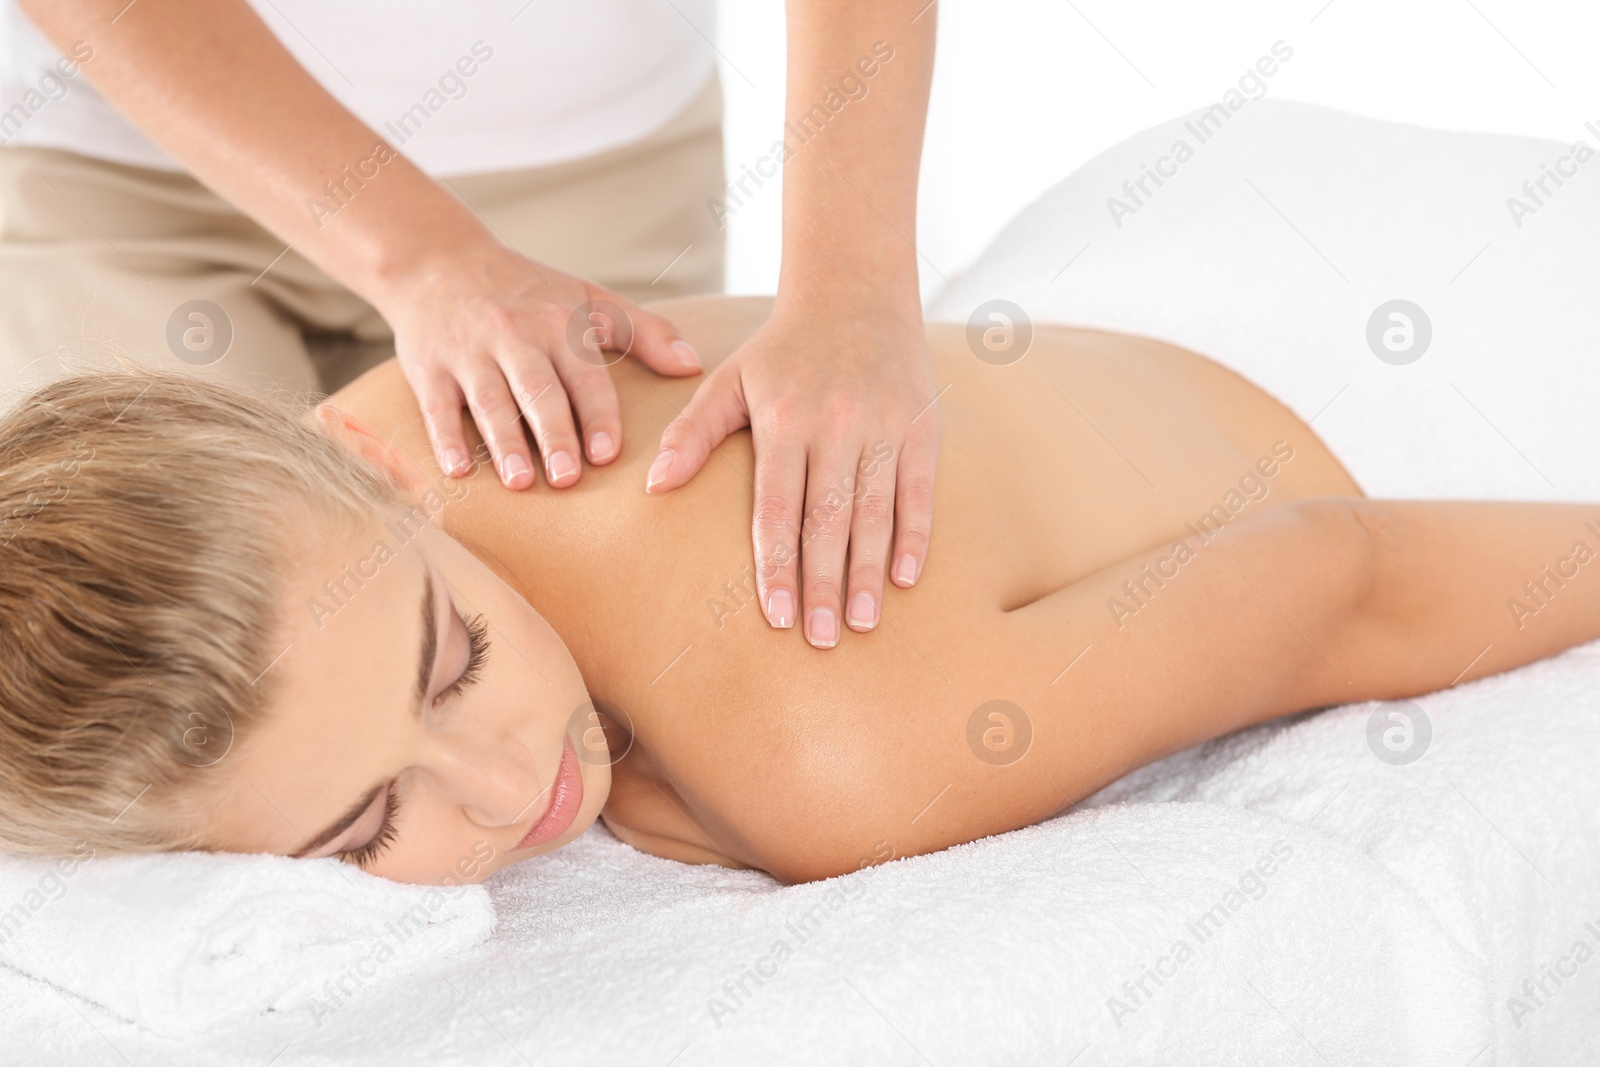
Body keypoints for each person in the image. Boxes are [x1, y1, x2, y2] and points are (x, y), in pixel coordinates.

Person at [1, 292, 1596, 887]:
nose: (507, 789)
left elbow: (1338, 572)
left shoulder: (838, 750)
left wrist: (747, 774)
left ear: (382, 469)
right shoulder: (339, 462)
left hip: (1249, 451)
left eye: (456, 658)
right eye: (363, 826)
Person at [0, 0, 941, 652]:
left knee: (659, 620)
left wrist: (853, 284)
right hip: (136, 161)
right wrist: (424, 257)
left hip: (589, 167)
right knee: (181, 651)